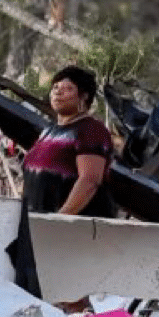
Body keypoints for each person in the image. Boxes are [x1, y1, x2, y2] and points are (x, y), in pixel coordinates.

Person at [21, 66, 117, 217]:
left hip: (73, 230)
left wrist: (60, 219)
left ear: (84, 96)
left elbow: (90, 180)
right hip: (36, 225)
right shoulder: (48, 132)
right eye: (55, 87)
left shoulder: (91, 130)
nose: (57, 92)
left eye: (68, 88)